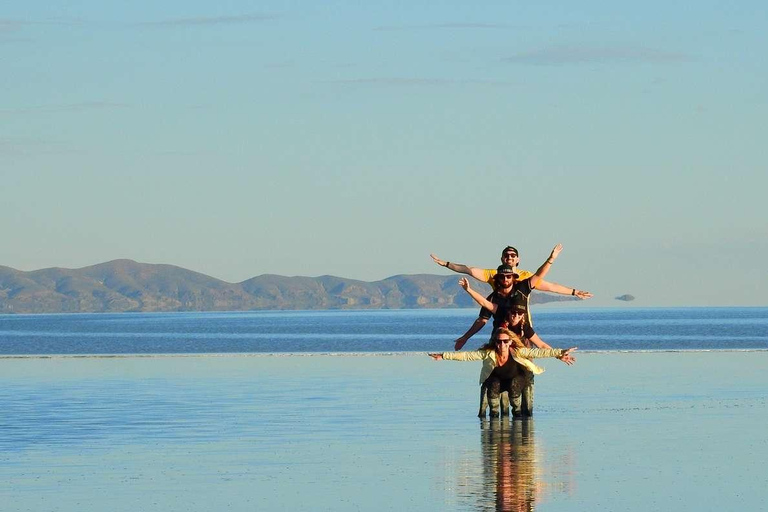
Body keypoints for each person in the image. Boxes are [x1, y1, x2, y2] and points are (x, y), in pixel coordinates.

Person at [452, 244, 591, 350]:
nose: (506, 279)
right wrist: (465, 337)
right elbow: (469, 271)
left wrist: (573, 291)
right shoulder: (493, 295)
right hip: (500, 337)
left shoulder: (523, 287)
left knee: (527, 371)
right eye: (502, 277)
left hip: (523, 332)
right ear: (497, 278)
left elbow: (548, 283)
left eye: (513, 256)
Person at [429, 328, 576, 418]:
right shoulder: (489, 353)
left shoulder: (518, 351)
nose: (502, 344)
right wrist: (443, 356)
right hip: (497, 380)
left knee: (514, 389)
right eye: (499, 342)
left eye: (505, 341)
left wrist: (560, 352)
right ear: (495, 342)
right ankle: (494, 418)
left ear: (510, 342)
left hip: (516, 379)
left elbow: (538, 351)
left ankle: (518, 416)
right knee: (493, 387)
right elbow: (467, 356)